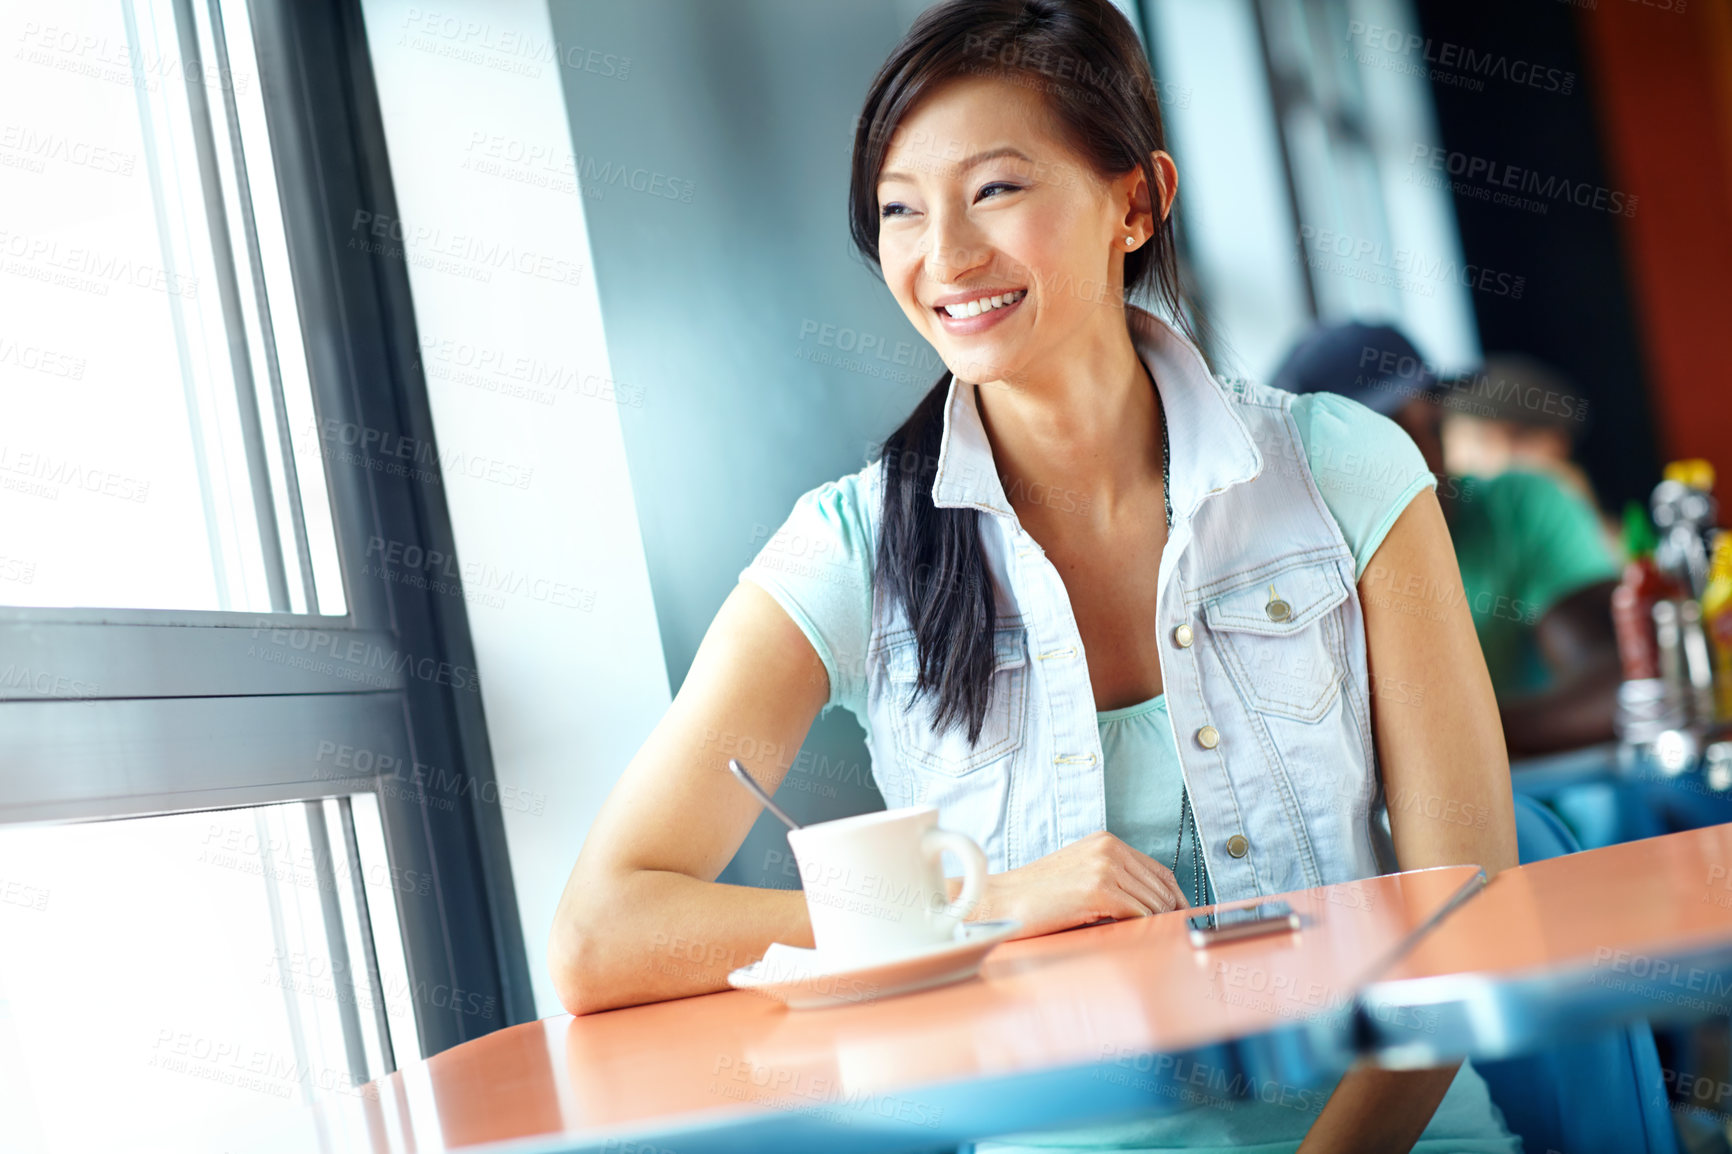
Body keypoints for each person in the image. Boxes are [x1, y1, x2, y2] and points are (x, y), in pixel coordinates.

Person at [550, 2, 1519, 1151]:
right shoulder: (852, 549)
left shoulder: (1345, 472)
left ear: (1136, 200)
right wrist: (973, 905)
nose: (944, 258)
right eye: (901, 209)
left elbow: (1473, 901)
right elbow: (600, 931)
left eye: (996, 190)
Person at [1272, 326, 1623, 758]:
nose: (1428, 461)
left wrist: (1444, 748)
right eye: (1390, 438)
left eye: (1433, 427)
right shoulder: (1281, 574)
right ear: (1306, 460)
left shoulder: (1519, 508)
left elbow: (1620, 682)